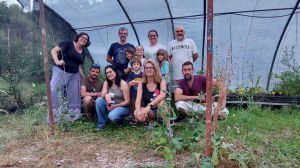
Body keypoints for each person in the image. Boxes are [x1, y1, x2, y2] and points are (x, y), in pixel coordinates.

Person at [50, 32, 90, 123]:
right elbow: (53, 51)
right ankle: (54, 116)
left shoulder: (83, 52)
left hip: (74, 75)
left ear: (87, 42)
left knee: (74, 95)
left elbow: (78, 66)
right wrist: (57, 61)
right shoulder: (68, 43)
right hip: (61, 71)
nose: (84, 39)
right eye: (82, 37)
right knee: (53, 89)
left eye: (86, 39)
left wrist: (83, 78)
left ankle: (73, 117)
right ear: (78, 37)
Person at [134, 61, 173, 136]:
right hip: (150, 111)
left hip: (160, 109)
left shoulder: (161, 81)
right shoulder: (141, 83)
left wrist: (150, 105)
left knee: (161, 103)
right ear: (144, 70)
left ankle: (168, 129)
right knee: (136, 112)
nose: (148, 69)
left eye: (151, 68)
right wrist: (138, 112)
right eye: (146, 68)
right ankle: (151, 123)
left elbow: (163, 95)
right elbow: (138, 100)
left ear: (155, 69)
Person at [95, 65, 130, 129]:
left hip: (122, 107)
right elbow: (102, 95)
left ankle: (120, 120)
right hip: (110, 105)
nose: (109, 74)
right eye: (107, 73)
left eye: (110, 72)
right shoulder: (107, 82)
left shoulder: (123, 84)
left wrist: (114, 106)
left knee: (112, 116)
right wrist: (106, 95)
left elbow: (127, 102)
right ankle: (101, 125)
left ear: (115, 72)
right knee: (99, 100)